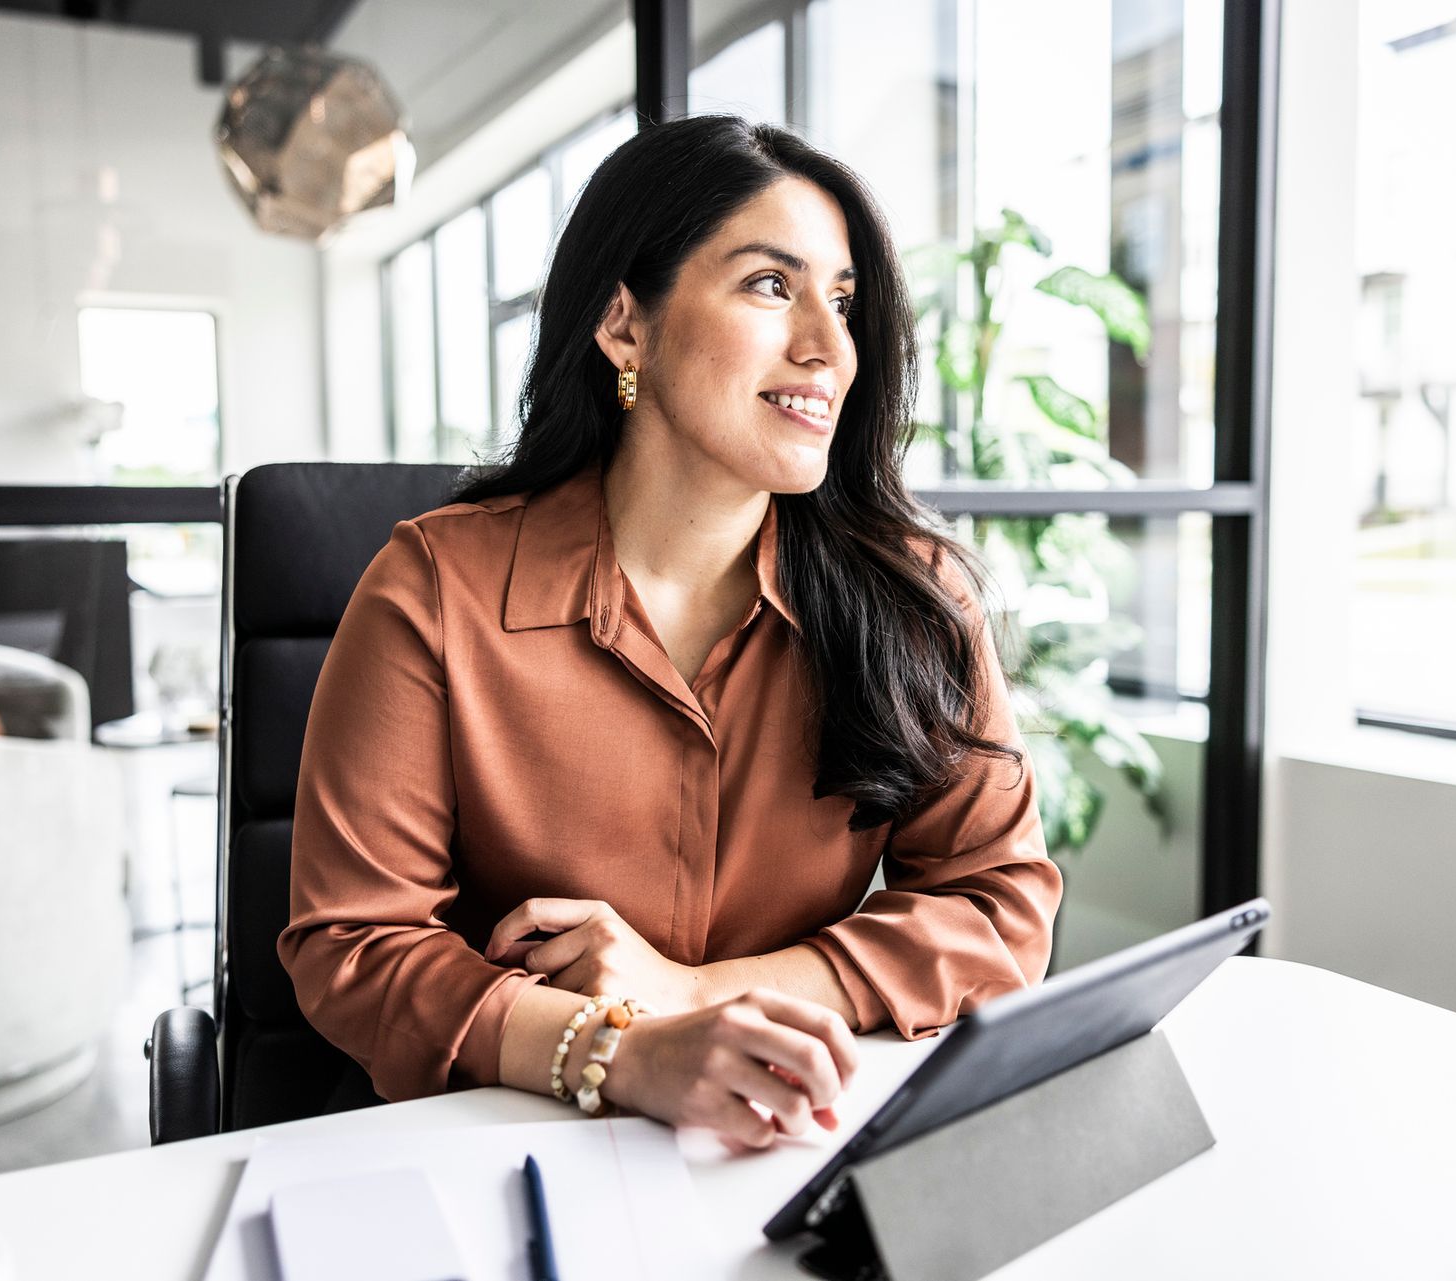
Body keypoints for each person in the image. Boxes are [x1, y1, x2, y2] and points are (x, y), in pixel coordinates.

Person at [279, 114, 1061, 1152]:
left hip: (788, 1132)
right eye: (770, 287)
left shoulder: (916, 600)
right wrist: (614, 1051)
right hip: (498, 1142)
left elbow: (999, 904)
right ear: (624, 328)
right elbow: (353, 945)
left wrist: (697, 994)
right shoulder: (435, 588)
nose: (828, 349)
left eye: (842, 301)